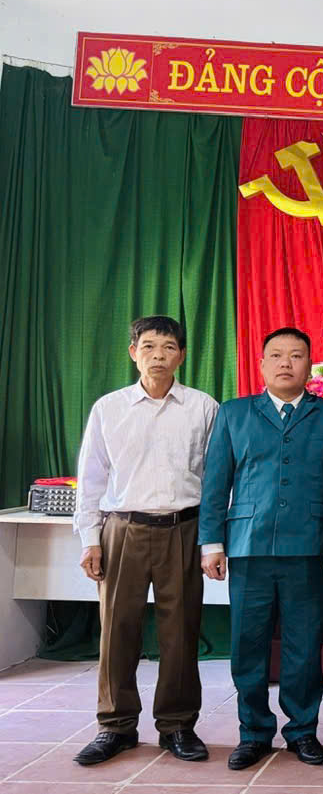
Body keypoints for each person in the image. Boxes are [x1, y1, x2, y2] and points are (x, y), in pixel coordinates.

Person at [71, 316, 219, 766]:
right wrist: (90, 538)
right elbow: (91, 478)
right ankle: (115, 726)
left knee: (181, 632)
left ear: (182, 355)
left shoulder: (203, 408)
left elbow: (216, 479)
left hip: (184, 528)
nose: (159, 355)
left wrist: (212, 540)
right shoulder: (109, 408)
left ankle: (177, 725)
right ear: (133, 352)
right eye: (149, 346)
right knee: (117, 630)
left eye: (168, 347)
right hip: (123, 530)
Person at [198, 328, 323, 770]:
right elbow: (215, 483)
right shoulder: (234, 413)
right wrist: (211, 543)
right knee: (248, 644)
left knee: (305, 646)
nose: (286, 363)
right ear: (261, 364)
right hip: (248, 547)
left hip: (309, 547)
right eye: (276, 355)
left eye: (296, 356)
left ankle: (302, 731)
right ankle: (254, 732)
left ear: (310, 365)